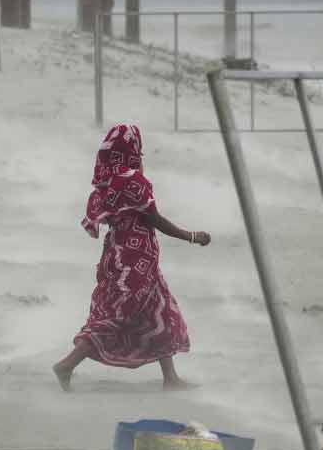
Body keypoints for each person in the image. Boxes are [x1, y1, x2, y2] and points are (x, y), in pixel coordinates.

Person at [53, 124, 211, 391]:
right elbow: (155, 219)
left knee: (158, 310)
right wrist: (191, 236)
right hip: (135, 260)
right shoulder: (133, 181)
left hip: (118, 255)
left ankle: (170, 378)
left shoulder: (105, 182)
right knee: (118, 315)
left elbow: (106, 218)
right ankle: (67, 364)